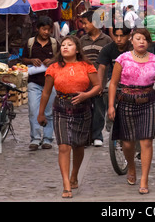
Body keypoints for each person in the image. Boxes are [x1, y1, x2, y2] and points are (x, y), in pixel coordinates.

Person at [37, 35, 101, 199]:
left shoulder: (86, 66)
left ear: (77, 49)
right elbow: (46, 92)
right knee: (64, 146)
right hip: (61, 108)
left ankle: (74, 174)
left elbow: (98, 86)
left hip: (82, 108)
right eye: (63, 45)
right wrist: (41, 112)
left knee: (78, 146)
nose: (65, 47)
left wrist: (86, 96)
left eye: (69, 45)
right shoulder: (53, 68)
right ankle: (66, 183)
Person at [108, 28, 155, 195]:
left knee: (146, 141)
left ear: (148, 42)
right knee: (127, 143)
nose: (142, 42)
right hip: (126, 102)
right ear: (132, 41)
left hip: (148, 102)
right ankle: (131, 167)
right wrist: (111, 105)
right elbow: (113, 83)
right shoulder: (123, 59)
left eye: (145, 39)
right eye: (138, 39)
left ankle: (144, 179)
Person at [22, 16, 60, 151]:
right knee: (33, 110)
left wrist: (53, 60)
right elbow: (23, 59)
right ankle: (35, 138)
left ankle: (48, 138)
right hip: (34, 82)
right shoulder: (30, 43)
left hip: (51, 84)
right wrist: (32, 61)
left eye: (48, 30)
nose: (46, 32)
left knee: (49, 111)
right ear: (37, 29)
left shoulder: (55, 43)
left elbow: (61, 58)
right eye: (44, 29)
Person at [80, 10, 112, 147]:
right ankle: (86, 136)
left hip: (101, 80)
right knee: (85, 109)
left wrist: (103, 83)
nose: (83, 26)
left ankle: (97, 135)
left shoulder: (107, 40)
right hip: (85, 81)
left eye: (85, 23)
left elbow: (110, 64)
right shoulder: (82, 40)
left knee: (99, 109)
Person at [96, 25, 132, 131]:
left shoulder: (133, 49)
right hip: (113, 80)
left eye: (122, 36)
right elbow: (102, 67)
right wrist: (99, 86)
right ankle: (110, 114)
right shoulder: (108, 49)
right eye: (116, 36)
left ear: (129, 36)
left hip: (132, 81)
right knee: (107, 91)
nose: (119, 39)